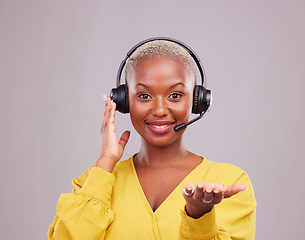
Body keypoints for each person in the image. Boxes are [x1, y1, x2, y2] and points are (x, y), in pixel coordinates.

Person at [48, 38, 256, 240]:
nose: (159, 110)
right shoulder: (93, 183)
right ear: (123, 100)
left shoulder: (229, 183)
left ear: (197, 100)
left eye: (175, 95)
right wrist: (105, 162)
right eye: (144, 96)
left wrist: (199, 215)